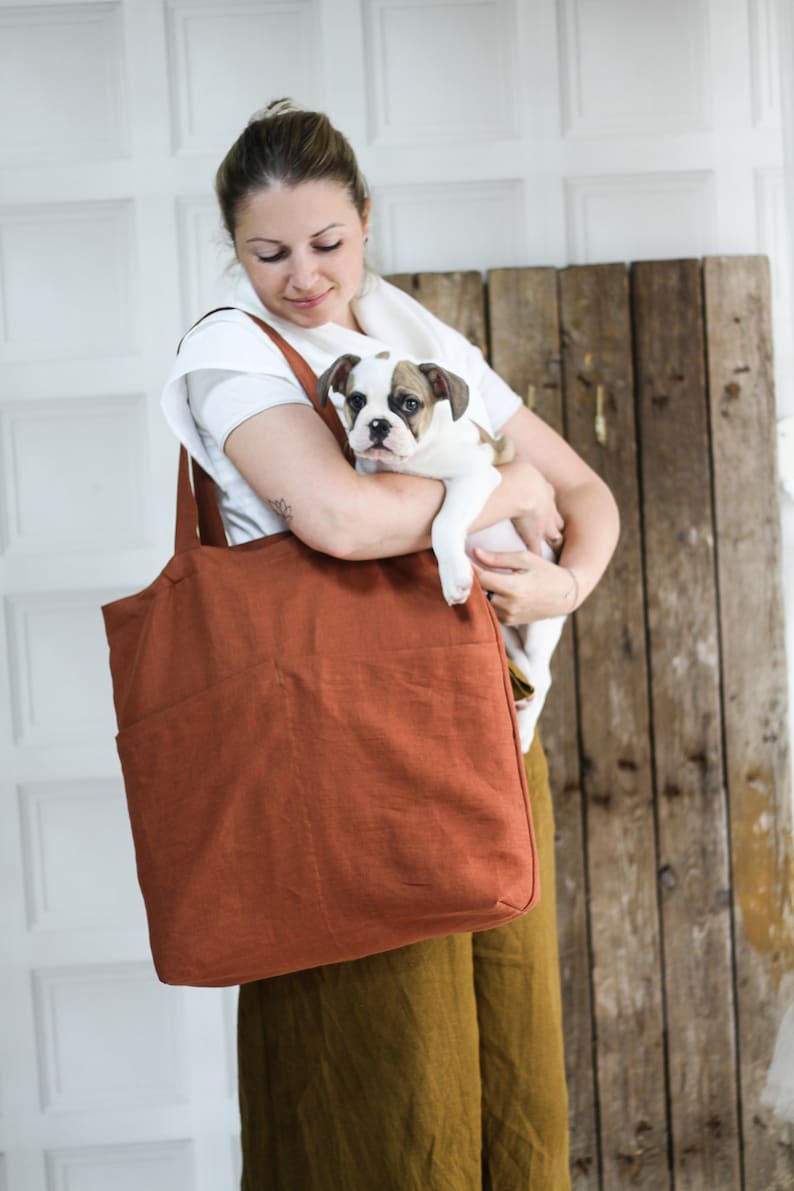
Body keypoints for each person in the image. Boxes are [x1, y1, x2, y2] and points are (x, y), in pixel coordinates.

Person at [162, 99, 619, 1191]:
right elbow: (338, 520)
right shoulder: (230, 350)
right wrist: (498, 484)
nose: (304, 278)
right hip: (351, 775)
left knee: (514, 1095)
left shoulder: (407, 333)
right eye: (268, 252)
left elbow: (583, 489)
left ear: (365, 220)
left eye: (327, 244)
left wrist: (565, 579)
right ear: (232, 246)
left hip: (498, 745)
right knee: (385, 1105)